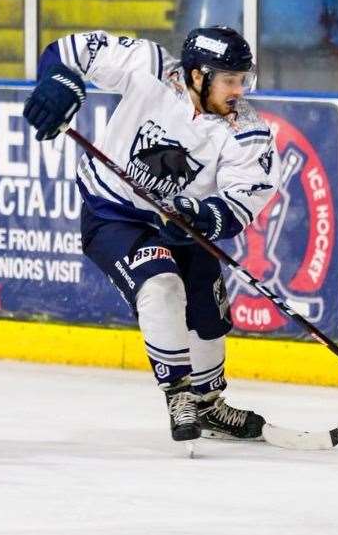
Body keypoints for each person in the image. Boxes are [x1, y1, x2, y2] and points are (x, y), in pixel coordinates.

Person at [23, 27, 280, 443]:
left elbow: (242, 199)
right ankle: (179, 393)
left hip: (180, 223)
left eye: (243, 79)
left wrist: (201, 214)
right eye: (230, 80)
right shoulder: (151, 67)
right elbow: (67, 50)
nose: (239, 90)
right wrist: (56, 79)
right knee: (160, 285)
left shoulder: (246, 129)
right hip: (114, 213)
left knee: (208, 311)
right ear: (198, 75)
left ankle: (209, 404)